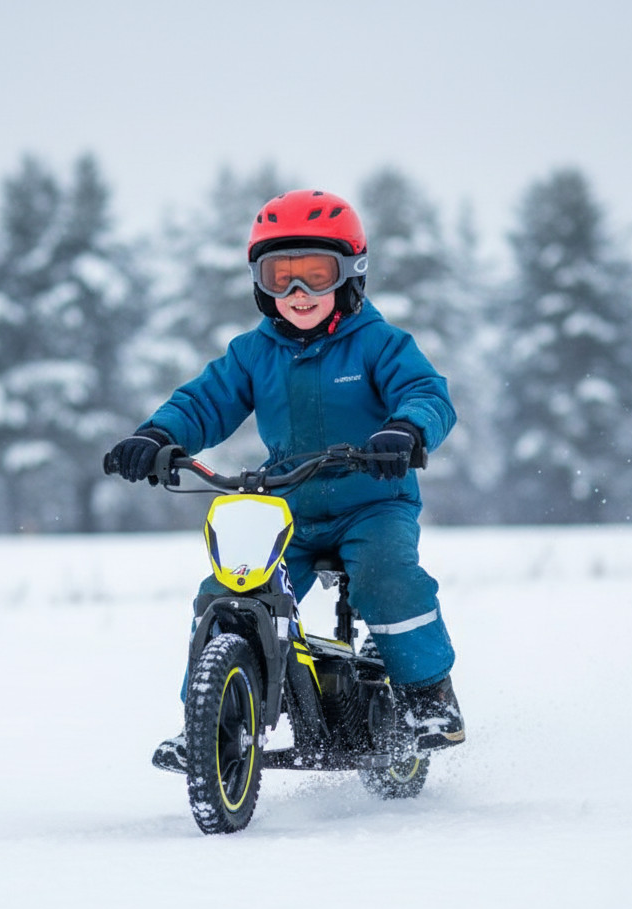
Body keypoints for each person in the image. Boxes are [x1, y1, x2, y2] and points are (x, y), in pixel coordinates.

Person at [106, 189, 464, 773]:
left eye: (316, 275)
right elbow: (204, 402)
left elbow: (426, 393)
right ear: (260, 282)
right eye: (281, 276)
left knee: (386, 579)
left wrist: (406, 431)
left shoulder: (379, 343)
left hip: (373, 502)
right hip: (288, 506)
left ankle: (428, 698)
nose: (298, 292)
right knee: (227, 591)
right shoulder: (254, 353)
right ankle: (207, 723)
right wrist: (157, 436)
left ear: (350, 274)